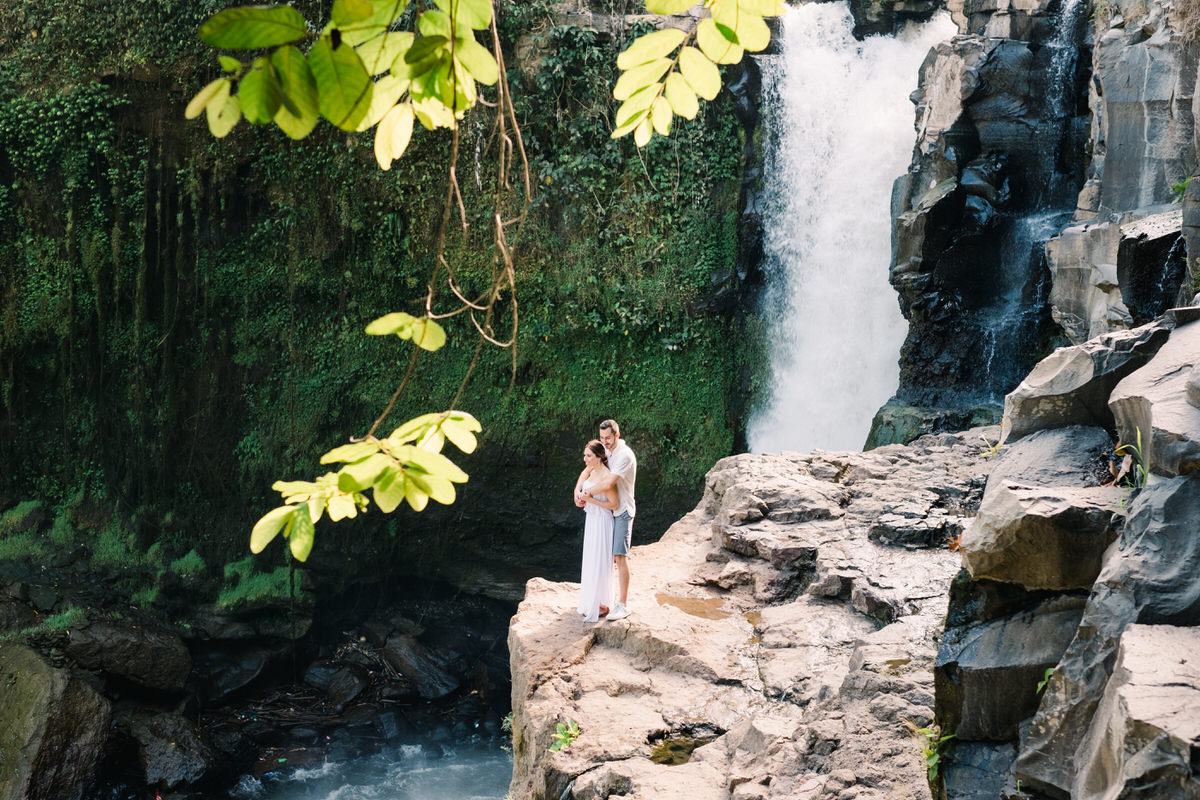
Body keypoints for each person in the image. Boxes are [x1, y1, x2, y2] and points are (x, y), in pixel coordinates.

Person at [572, 440, 619, 623]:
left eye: (588, 456)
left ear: (599, 458)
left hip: (602, 521)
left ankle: (601, 602)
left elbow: (613, 505)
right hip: (591, 519)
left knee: (600, 560)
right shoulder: (591, 469)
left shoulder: (606, 477)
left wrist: (591, 500)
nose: (585, 459)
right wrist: (577, 493)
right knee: (591, 558)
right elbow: (583, 476)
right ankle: (593, 600)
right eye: (585, 455)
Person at [595, 419, 636, 621]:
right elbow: (591, 466)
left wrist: (587, 493)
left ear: (617, 435)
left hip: (623, 510)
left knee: (620, 557)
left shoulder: (624, 455)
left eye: (608, 438)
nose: (605, 442)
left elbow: (609, 482)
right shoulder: (607, 451)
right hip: (610, 511)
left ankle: (623, 605)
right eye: (602, 438)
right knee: (608, 557)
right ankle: (606, 601)